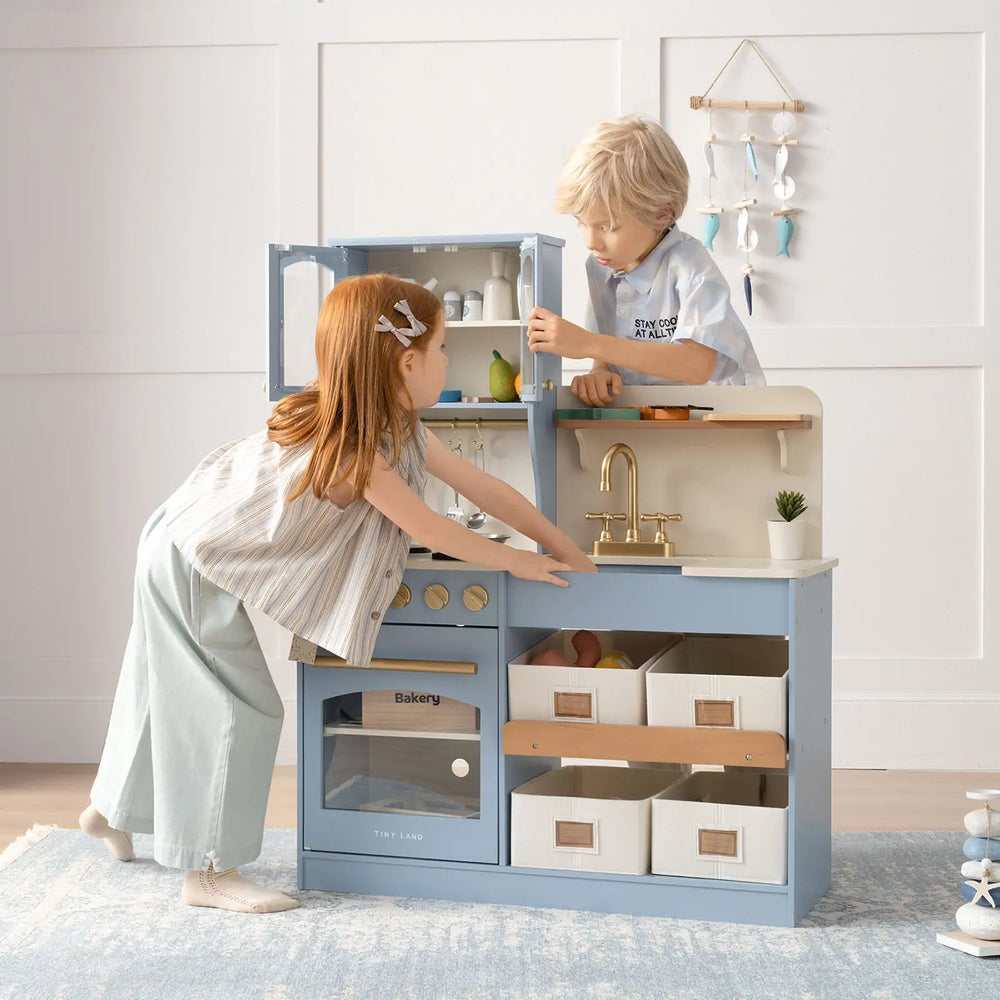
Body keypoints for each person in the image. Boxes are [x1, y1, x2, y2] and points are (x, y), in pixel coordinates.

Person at [80, 273, 596, 914]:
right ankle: (208, 873)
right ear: (407, 363)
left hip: (177, 536)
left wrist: (564, 546)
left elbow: (487, 491)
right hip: (193, 560)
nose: (445, 363)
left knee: (162, 688)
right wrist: (518, 562)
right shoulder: (358, 447)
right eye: (441, 352)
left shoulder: (392, 425)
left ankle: (111, 811)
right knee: (237, 709)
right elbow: (430, 526)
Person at [527, 114, 765, 403]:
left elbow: (697, 364)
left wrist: (590, 345)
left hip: (728, 421)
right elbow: (606, 348)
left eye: (608, 227)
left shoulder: (690, 268)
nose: (591, 242)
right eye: (582, 223)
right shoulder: (600, 268)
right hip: (651, 424)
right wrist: (600, 370)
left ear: (660, 215)